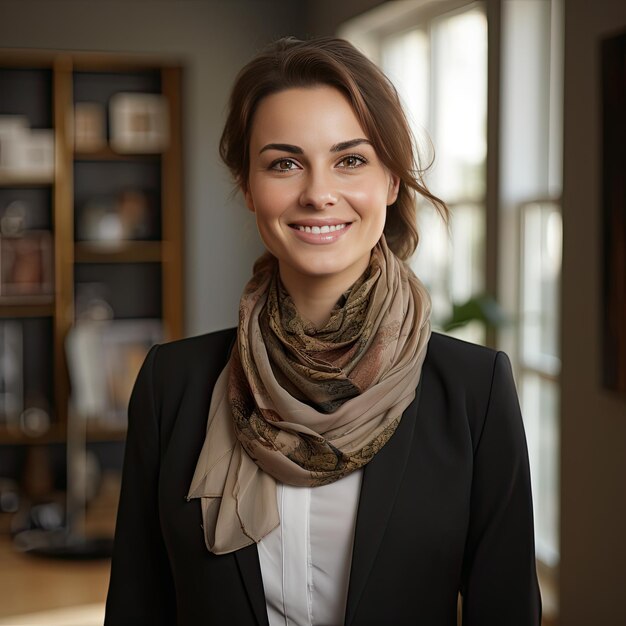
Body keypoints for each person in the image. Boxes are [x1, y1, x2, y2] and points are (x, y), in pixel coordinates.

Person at [104, 36, 541, 626]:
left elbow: (505, 610)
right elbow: (137, 605)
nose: (317, 193)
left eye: (351, 160)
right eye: (284, 163)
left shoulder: (474, 390)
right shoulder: (170, 384)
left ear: (391, 182)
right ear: (248, 187)